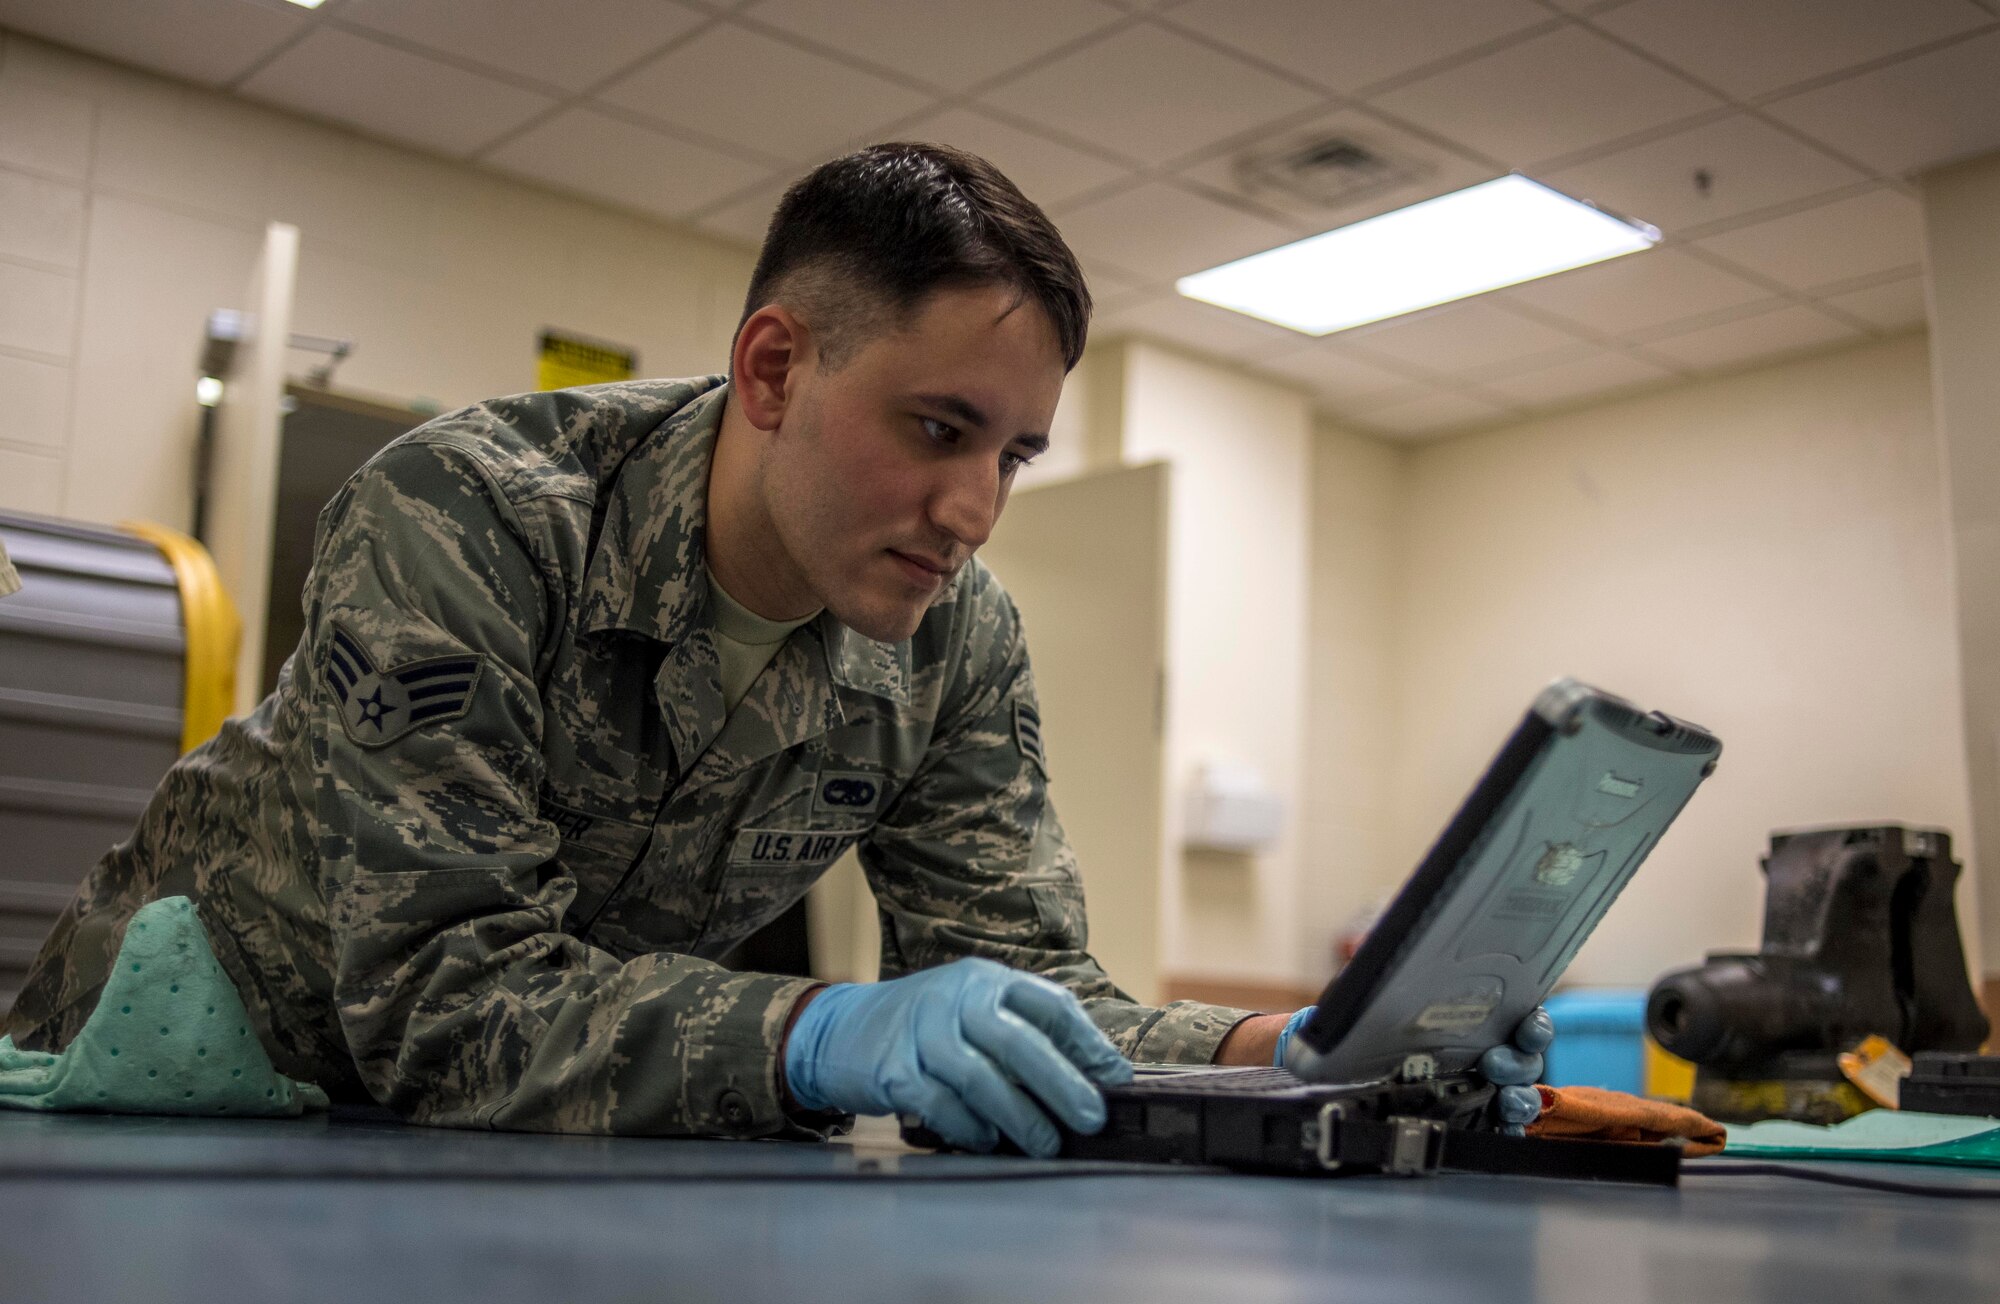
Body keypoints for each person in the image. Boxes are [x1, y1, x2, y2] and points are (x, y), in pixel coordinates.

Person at [3, 143, 1545, 1155]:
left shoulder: (954, 644)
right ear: (772, 368)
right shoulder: (471, 514)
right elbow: (442, 995)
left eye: (1012, 456)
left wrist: (1300, 1046)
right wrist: (818, 1032)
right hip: (158, 1106)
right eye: (937, 430)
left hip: (489, 1149)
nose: (971, 510)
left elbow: (1029, 985)